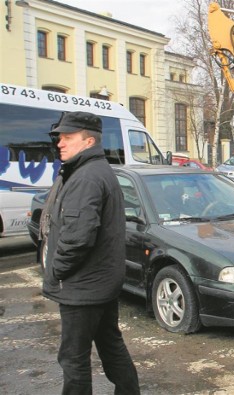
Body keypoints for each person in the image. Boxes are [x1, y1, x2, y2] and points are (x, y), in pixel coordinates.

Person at [40, 111, 140, 394]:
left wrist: (57, 270)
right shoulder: (90, 170)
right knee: (110, 344)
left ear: (88, 141)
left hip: (82, 286)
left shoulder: (86, 177)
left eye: (68, 137)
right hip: (98, 282)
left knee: (73, 358)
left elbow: (77, 238)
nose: (60, 143)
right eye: (59, 137)